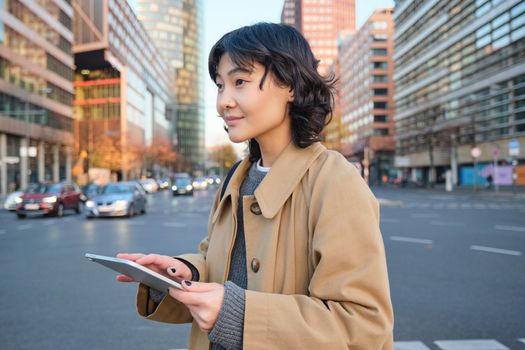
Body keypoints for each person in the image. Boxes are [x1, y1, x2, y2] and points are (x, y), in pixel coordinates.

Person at [117, 22, 393, 349]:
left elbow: (364, 324)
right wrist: (183, 271)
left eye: (240, 82)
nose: (224, 102)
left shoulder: (334, 180)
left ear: (290, 84)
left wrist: (239, 316)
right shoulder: (236, 176)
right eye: (220, 86)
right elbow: (220, 261)